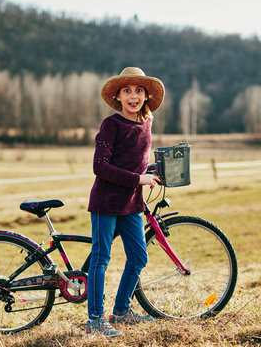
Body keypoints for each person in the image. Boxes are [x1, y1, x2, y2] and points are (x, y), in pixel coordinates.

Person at [85, 67, 164, 337]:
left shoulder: (147, 124)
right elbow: (100, 167)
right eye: (127, 91)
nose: (133, 96)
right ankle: (95, 319)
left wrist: (151, 171)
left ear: (145, 96)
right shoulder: (111, 125)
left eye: (139, 91)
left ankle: (121, 311)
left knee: (139, 257)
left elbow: (136, 162)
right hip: (106, 202)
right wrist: (137, 179)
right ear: (118, 97)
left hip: (131, 203)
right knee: (101, 257)